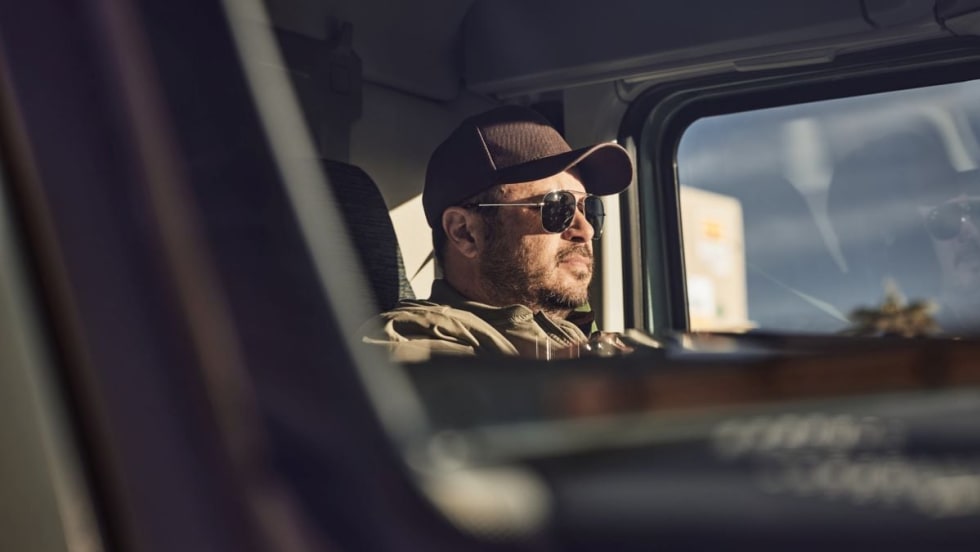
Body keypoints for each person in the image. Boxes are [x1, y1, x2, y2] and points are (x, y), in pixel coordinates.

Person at [361, 105, 634, 359]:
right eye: (556, 207)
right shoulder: (410, 340)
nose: (585, 229)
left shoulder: (567, 337)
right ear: (465, 232)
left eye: (589, 208)